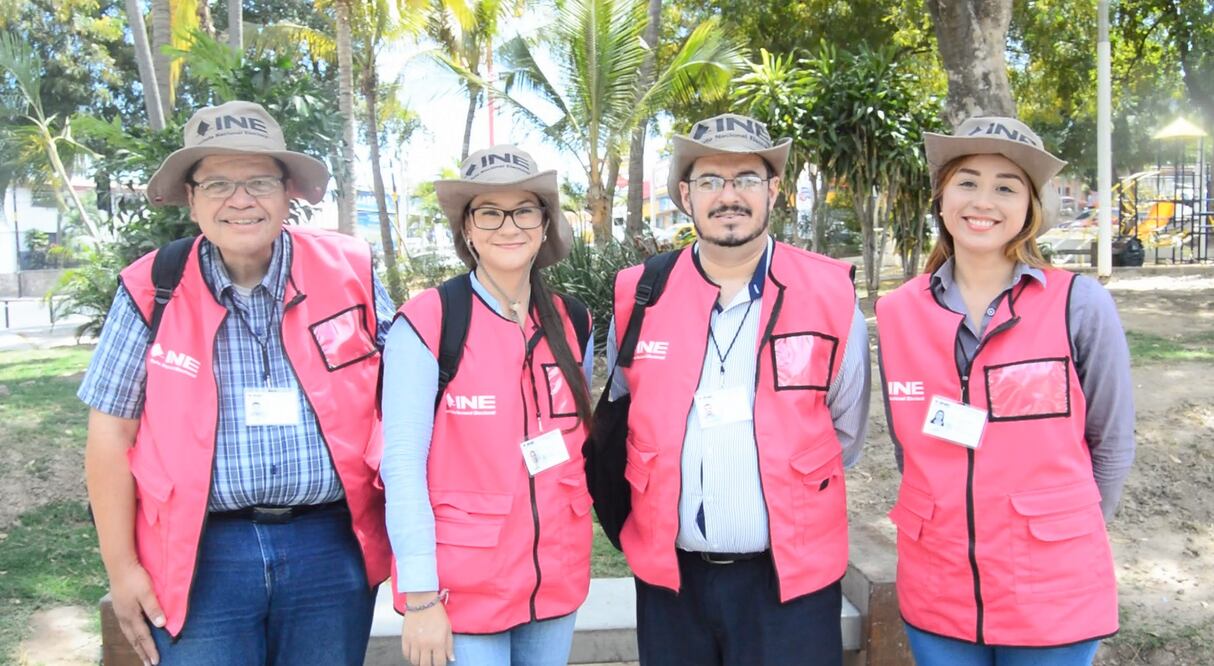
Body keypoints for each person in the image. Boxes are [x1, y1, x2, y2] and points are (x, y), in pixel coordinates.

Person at [78, 101, 394, 665]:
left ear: (287, 193)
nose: (240, 200)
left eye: (259, 182)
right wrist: (121, 570)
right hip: (199, 553)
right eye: (218, 183)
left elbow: (410, 399)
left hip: (331, 545)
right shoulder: (152, 288)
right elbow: (109, 434)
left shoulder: (352, 271)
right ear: (192, 198)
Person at [605, 113, 871, 665]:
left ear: (774, 190)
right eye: (710, 181)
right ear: (685, 194)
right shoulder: (639, 293)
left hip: (790, 583)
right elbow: (625, 410)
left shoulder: (830, 294)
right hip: (672, 583)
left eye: (746, 178)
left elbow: (844, 429)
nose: (729, 196)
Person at [876, 116, 1135, 664]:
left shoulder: (1079, 304)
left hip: (1052, 590)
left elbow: (1110, 444)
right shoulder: (897, 313)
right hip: (937, 584)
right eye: (967, 181)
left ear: (1029, 208)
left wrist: (1062, 533)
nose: (983, 200)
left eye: (1006, 186)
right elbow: (910, 450)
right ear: (942, 199)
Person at [380, 145, 595, 666]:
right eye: (489, 212)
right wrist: (422, 597)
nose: (509, 225)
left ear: (545, 225)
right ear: (468, 231)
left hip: (554, 582)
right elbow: (401, 465)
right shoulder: (430, 321)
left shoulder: (573, 321)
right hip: (461, 594)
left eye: (525, 210)